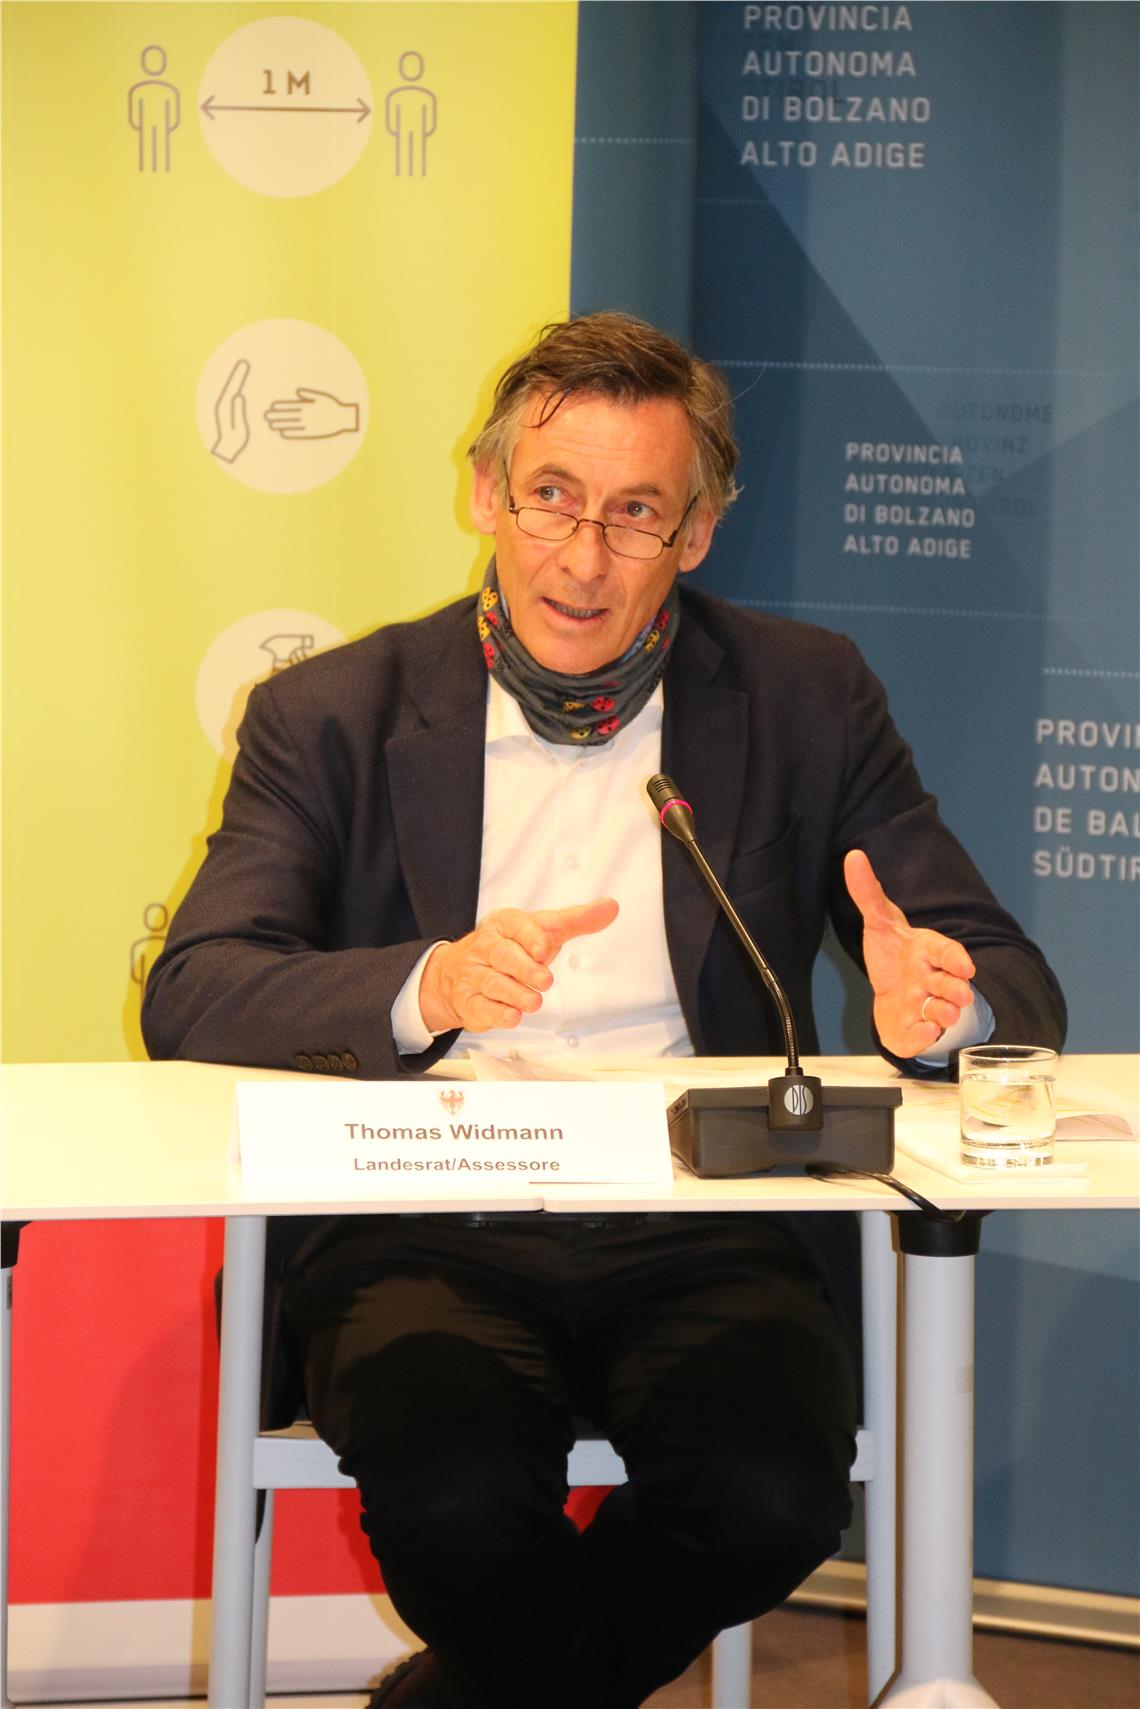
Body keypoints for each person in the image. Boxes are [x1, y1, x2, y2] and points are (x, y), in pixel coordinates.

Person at [143, 313, 1065, 1709]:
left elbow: (1009, 979)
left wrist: (939, 1005)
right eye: (552, 497)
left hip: (708, 1217)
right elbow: (198, 984)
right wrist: (424, 986)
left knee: (769, 1493)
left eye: (637, 514)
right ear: (486, 493)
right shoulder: (330, 713)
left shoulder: (805, 697)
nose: (583, 558)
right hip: (422, 1216)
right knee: (455, 1501)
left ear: (696, 534)